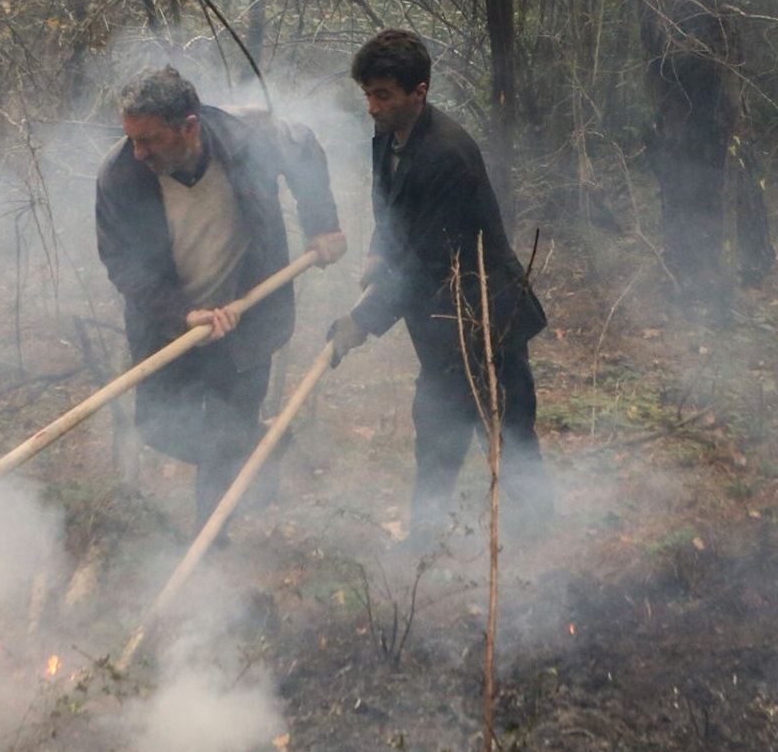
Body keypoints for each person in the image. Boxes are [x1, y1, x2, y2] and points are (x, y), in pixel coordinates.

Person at [97, 66, 347, 531]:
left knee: (225, 433)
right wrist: (181, 313)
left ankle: (212, 543)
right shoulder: (121, 175)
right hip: (168, 324)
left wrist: (321, 223)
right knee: (160, 428)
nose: (138, 151)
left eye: (149, 139)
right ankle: (262, 446)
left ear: (189, 128)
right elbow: (123, 265)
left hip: (247, 318)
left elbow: (305, 149)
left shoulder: (249, 136)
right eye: (132, 138)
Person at [327, 28, 550, 545]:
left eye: (383, 95)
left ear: (419, 92)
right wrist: (378, 250)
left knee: (508, 434)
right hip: (436, 323)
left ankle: (537, 538)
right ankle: (425, 547)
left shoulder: (448, 156)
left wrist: (360, 324)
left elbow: (427, 261)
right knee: (437, 438)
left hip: (485, 317)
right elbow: (389, 207)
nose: (372, 107)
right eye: (368, 94)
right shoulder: (387, 137)